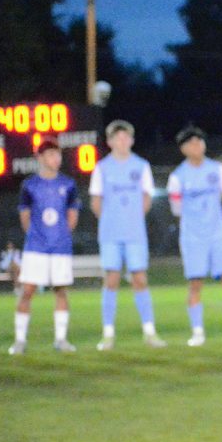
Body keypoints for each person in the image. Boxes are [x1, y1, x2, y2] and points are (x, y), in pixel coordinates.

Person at [166, 125, 222, 346]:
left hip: (218, 234)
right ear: (183, 148)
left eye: (199, 141)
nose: (196, 146)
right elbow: (176, 209)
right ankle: (197, 332)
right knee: (195, 283)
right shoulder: (177, 177)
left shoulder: (218, 169)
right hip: (193, 237)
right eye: (190, 143)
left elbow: (220, 195)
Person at [90, 120, 165, 350]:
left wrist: (132, 218)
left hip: (135, 233)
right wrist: (112, 221)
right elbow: (96, 202)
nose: (122, 141)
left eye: (126, 137)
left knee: (140, 279)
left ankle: (150, 332)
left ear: (131, 140)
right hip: (110, 234)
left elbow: (146, 198)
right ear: (110, 141)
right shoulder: (101, 168)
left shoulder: (141, 166)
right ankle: (108, 334)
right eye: (117, 138)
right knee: (111, 280)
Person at [9, 137, 81, 355]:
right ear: (39, 158)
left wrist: (61, 236)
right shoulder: (29, 185)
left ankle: (61, 340)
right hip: (36, 247)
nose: (55, 158)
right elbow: (25, 218)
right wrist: (37, 236)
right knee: (27, 290)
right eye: (50, 154)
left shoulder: (68, 184)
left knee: (61, 291)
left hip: (60, 248)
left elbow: (72, 216)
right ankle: (20, 341)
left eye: (58, 154)